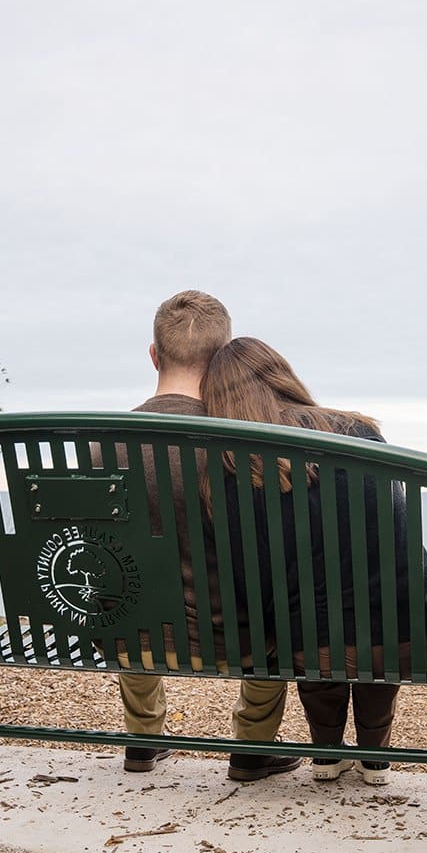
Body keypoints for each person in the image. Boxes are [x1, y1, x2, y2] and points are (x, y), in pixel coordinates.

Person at [200, 336, 427, 785]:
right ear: (283, 376)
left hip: (312, 646)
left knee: (310, 618)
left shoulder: (230, 469)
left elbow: (254, 578)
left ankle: (327, 753)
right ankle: (374, 756)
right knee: (377, 607)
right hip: (410, 637)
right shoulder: (357, 432)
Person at [119, 293, 300, 782]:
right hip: (239, 642)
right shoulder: (252, 447)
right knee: (279, 609)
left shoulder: (103, 441)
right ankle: (251, 748)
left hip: (134, 640)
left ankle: (143, 739)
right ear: (222, 361)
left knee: (128, 596)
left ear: (154, 354)